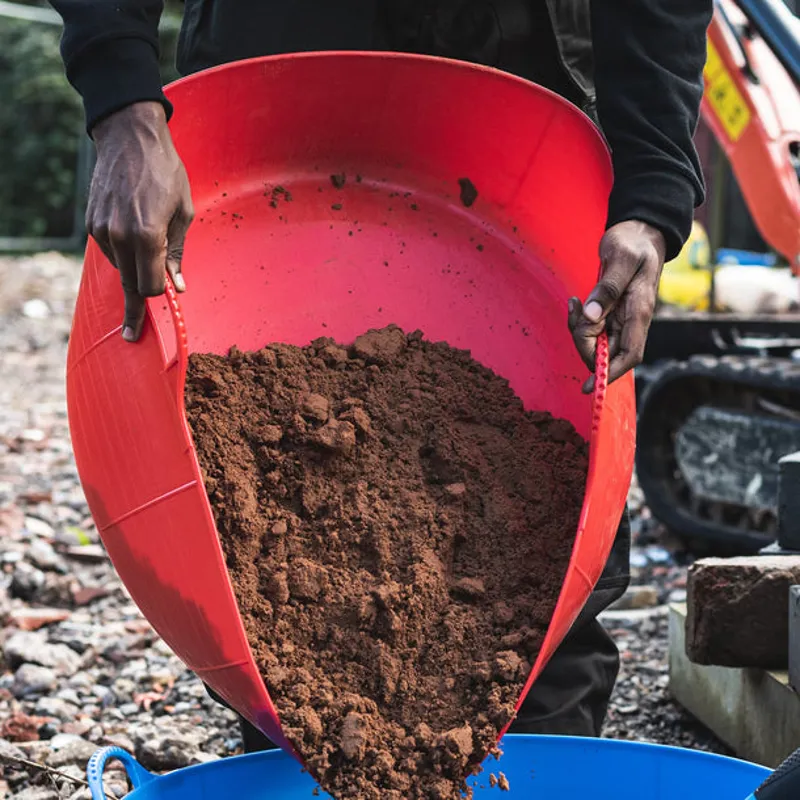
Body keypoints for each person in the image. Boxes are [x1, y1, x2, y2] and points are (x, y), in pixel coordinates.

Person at [50, 0, 712, 750]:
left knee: (546, 615)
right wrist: (124, 107)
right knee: (265, 597)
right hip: (270, 104)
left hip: (521, 103)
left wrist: (650, 197)